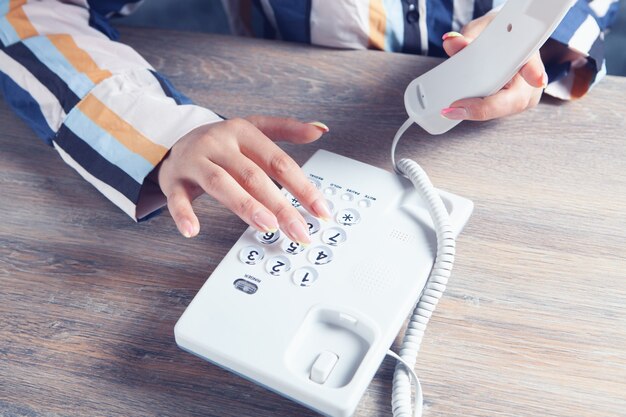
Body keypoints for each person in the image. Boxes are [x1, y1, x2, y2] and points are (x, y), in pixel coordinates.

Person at [0, 0, 619, 243]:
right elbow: (24, 11)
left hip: (519, 129)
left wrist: (543, 33)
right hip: (300, 89)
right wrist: (162, 130)